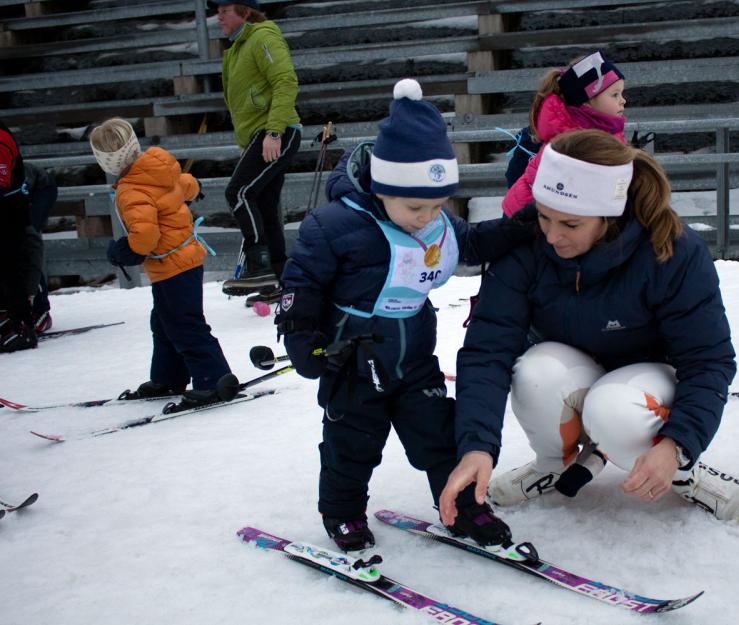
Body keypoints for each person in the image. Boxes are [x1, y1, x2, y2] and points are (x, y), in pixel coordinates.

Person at [439, 129, 739, 530]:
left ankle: (679, 470)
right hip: (576, 369)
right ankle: (555, 466)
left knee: (613, 411)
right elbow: (487, 351)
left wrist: (678, 444)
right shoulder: (525, 247)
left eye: (570, 224)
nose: (552, 235)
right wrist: (477, 447)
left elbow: (708, 360)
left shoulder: (671, 250)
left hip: (649, 384)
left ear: (609, 216)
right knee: (535, 371)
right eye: (543, 216)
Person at [276, 79, 535, 553]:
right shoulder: (333, 225)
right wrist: (301, 337)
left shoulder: (433, 222)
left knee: (440, 434)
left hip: (413, 359)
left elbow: (471, 243)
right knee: (351, 445)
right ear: (382, 186)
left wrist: (519, 228)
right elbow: (301, 284)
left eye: (437, 205)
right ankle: (342, 512)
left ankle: (463, 506)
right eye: (416, 206)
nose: (427, 216)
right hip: (352, 362)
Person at [89, 118, 235, 408]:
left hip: (172, 265)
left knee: (184, 323)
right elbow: (183, 184)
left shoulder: (131, 190)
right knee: (164, 322)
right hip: (184, 260)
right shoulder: (155, 168)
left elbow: (144, 236)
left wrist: (122, 251)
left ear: (106, 160)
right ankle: (168, 377)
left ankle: (215, 380)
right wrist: (194, 187)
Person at [209, 0, 302, 299]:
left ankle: (258, 263)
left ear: (245, 11)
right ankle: (278, 275)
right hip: (259, 135)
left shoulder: (263, 36)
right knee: (263, 204)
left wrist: (274, 132)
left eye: (225, 10)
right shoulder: (236, 48)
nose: (218, 16)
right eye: (218, 11)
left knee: (238, 192)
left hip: (276, 130)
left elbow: (285, 81)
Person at [502, 51, 627, 216]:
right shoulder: (569, 144)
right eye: (615, 95)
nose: (623, 100)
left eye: (622, 93)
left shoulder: (606, 134)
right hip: (535, 225)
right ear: (587, 103)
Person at [0, 120, 43, 353]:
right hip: (9, 211)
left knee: (12, 270)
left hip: (9, 216)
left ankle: (23, 327)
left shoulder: (1, 139)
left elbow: (1, 181)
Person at [24, 162, 58, 333]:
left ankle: (41, 310)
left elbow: (34, 248)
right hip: (17, 192)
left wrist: (29, 291)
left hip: (40, 187)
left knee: (25, 243)